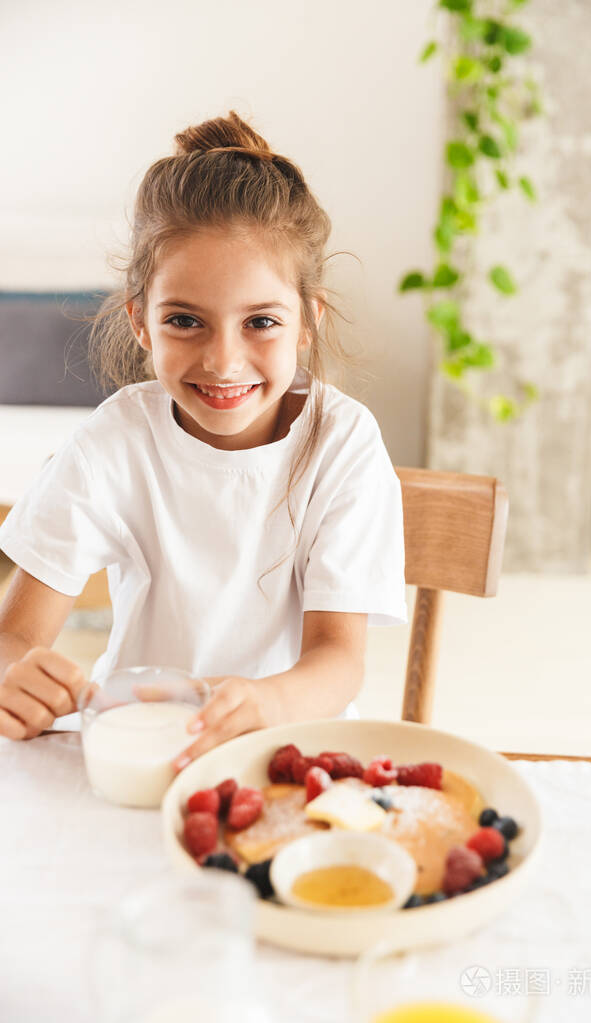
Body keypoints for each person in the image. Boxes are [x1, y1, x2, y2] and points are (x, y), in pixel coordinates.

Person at [0, 111, 407, 770]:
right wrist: (16, 677)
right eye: (185, 320)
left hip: (287, 753)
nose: (223, 361)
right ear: (140, 322)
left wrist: (266, 703)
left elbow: (338, 660)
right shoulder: (116, 439)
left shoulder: (344, 443)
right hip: (142, 752)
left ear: (308, 321)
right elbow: (14, 634)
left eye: (261, 322)